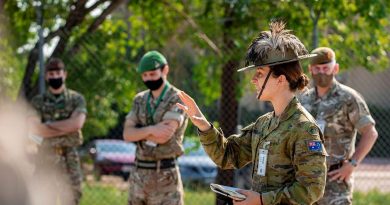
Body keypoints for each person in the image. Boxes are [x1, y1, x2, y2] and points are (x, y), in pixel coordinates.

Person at [176, 21, 327, 205]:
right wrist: (204, 126)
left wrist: (262, 200)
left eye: (260, 73)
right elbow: (228, 156)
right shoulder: (264, 123)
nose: (254, 80)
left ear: (280, 79)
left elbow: (312, 189)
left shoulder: (304, 128)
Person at [299, 47, 378, 205]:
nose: (322, 73)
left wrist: (352, 164)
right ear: (310, 69)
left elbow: (370, 133)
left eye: (326, 68)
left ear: (335, 68)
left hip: (336, 180)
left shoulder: (348, 98)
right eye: (317, 68)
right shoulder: (304, 99)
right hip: (306, 180)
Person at [123, 50, 188, 205]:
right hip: (139, 176)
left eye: (152, 74)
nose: (148, 79)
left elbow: (164, 135)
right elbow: (127, 134)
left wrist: (139, 131)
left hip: (166, 177)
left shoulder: (177, 98)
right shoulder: (139, 100)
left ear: (165, 70)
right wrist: (151, 130)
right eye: (144, 76)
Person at [29, 58, 87, 205]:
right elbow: (34, 129)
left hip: (70, 160)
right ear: (47, 77)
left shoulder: (76, 99)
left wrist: (47, 126)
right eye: (52, 74)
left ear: (65, 74)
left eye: (58, 73)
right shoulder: (37, 102)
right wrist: (66, 130)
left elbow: (77, 124)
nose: (55, 77)